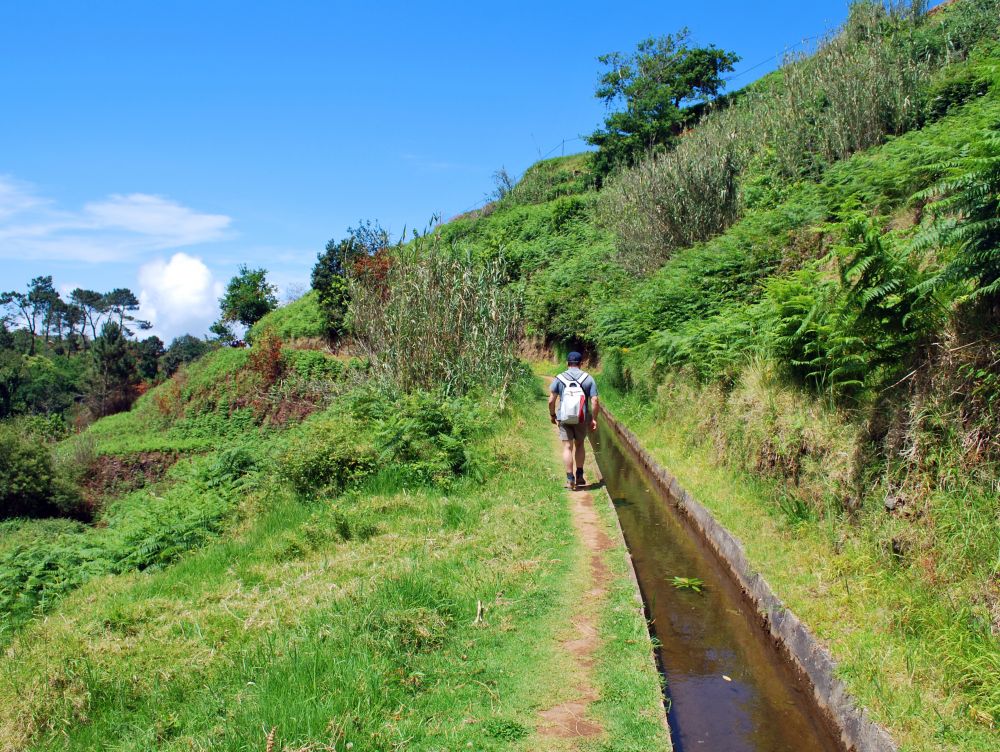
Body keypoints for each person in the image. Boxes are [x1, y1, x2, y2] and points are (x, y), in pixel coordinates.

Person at [549, 351, 599, 490]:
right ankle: (580, 476)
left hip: (564, 417)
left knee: (567, 447)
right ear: (581, 363)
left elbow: (551, 400)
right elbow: (594, 400)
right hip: (581, 418)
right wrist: (593, 419)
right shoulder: (588, 378)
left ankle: (570, 479)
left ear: (567, 363)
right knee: (580, 444)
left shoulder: (559, 378)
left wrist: (553, 415)